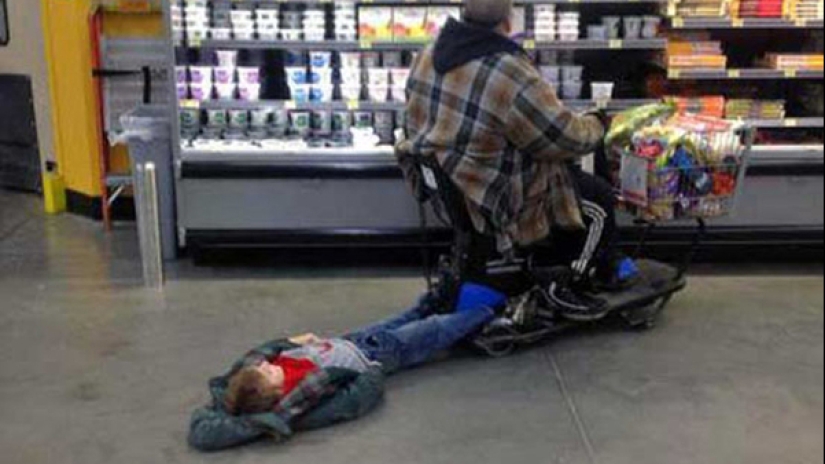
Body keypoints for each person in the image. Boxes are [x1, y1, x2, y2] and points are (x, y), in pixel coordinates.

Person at [397, 0, 637, 322]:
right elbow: (563, 138)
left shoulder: (426, 54)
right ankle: (564, 282)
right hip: (496, 197)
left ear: (462, 11)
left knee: (569, 181)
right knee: (598, 200)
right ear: (510, 22)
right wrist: (597, 123)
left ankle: (545, 266)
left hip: (451, 188)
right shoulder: (510, 71)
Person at [188, 284, 507, 452]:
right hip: (372, 356)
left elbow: (258, 359)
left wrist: (292, 340)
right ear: (278, 391)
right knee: (431, 331)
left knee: (406, 317)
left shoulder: (250, 379)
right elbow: (351, 402)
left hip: (349, 340)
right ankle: (492, 310)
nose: (267, 364)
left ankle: (437, 299)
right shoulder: (298, 405)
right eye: (269, 372)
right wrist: (374, 372)